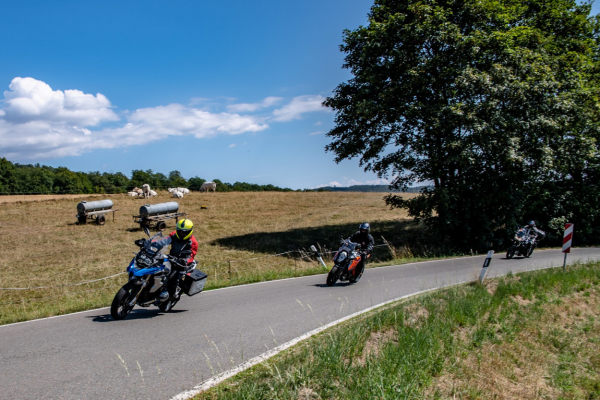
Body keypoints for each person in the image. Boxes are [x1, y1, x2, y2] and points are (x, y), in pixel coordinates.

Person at [150, 218, 198, 304]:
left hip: (182, 263)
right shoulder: (174, 235)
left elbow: (191, 257)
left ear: (190, 231)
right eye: (180, 231)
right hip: (171, 258)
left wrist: (183, 261)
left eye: (184, 232)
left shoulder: (193, 242)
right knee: (156, 268)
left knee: (172, 278)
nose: (182, 234)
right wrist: (150, 242)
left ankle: (172, 296)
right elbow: (164, 241)